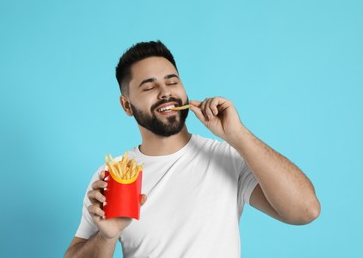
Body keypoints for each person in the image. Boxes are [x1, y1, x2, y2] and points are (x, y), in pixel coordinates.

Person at [65, 41, 320, 258]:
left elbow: (306, 210)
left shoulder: (227, 158)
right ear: (126, 105)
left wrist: (238, 135)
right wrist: (107, 237)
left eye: (172, 81)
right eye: (150, 86)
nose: (166, 93)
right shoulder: (114, 175)